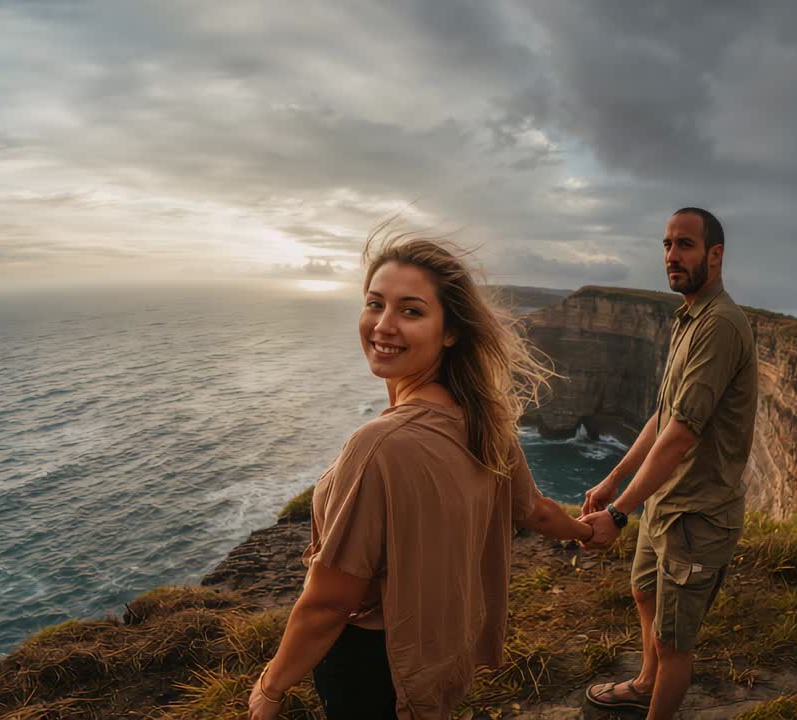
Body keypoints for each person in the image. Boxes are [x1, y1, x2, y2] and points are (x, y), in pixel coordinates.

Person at [248, 225, 595, 720]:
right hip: (442, 652)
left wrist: (271, 687)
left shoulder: (379, 445)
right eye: (375, 303)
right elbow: (535, 510)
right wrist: (587, 531)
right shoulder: (484, 418)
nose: (384, 325)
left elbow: (330, 603)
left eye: (411, 311)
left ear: (449, 331)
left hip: (375, 667)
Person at [579, 207, 758, 719]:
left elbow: (681, 436)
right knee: (642, 592)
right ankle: (644, 683)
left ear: (715, 256)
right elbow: (664, 414)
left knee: (676, 641)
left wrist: (617, 515)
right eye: (666, 245)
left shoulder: (720, 326)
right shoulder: (688, 317)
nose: (672, 257)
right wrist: (615, 480)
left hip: (697, 516)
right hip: (665, 501)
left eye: (685, 245)